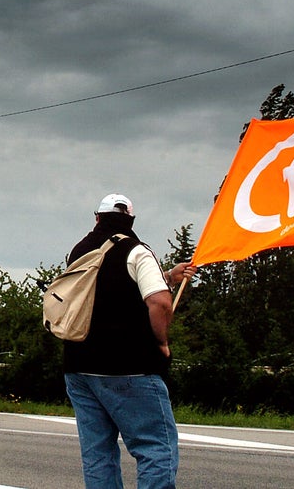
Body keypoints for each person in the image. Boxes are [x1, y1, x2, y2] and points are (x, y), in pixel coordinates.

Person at [64, 193, 197, 489]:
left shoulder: (78, 253)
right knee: (154, 448)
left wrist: (168, 276)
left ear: (97, 218)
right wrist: (161, 343)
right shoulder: (137, 251)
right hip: (130, 367)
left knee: (98, 453)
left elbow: (106, 289)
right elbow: (160, 303)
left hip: (78, 366)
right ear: (131, 221)